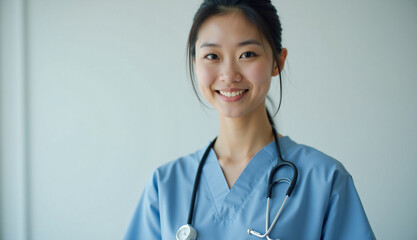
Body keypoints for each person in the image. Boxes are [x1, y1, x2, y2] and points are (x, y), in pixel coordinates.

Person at [124, 0, 376, 239]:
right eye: (212, 56)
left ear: (278, 62)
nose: (229, 75)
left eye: (247, 54)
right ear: (195, 63)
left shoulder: (324, 180)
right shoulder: (166, 186)